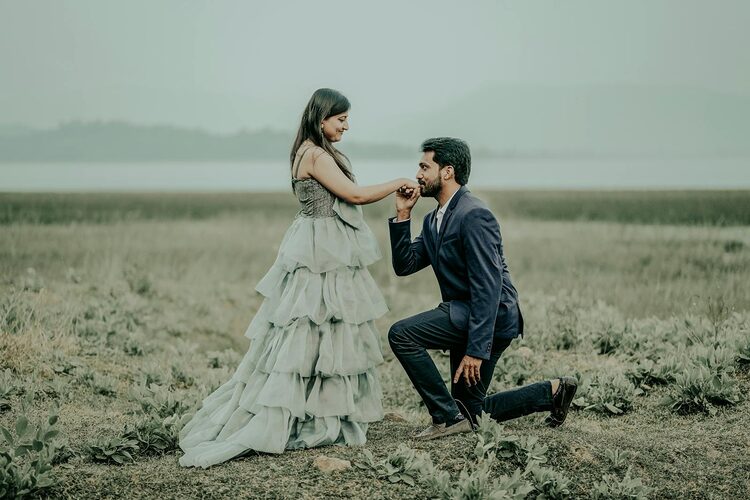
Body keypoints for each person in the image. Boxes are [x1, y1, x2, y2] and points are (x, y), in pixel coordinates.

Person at [179, 88, 420, 467]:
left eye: (346, 120)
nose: (345, 126)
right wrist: (396, 184)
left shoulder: (308, 151)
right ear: (322, 117)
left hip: (318, 242)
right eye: (340, 119)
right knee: (312, 326)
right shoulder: (315, 154)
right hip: (320, 248)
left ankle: (317, 410)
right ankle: (305, 413)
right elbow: (354, 196)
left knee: (321, 328)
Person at [387, 137, 577, 440]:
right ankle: (554, 392)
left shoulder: (473, 214)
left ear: (447, 171)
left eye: (425, 166)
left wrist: (476, 350)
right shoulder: (433, 218)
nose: (418, 174)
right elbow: (405, 265)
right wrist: (402, 215)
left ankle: (445, 419)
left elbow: (489, 287)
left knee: (401, 333)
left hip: (490, 317)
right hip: (465, 314)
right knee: (469, 411)